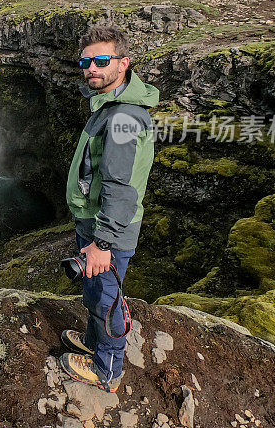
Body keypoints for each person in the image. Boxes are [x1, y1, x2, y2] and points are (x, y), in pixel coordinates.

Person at [59, 25, 159, 393]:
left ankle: (108, 369)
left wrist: (102, 243)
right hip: (96, 223)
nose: (92, 68)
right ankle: (93, 342)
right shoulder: (108, 104)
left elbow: (121, 187)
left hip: (109, 231)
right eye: (86, 61)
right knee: (94, 289)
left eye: (102, 60)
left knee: (106, 297)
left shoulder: (122, 118)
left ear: (124, 63)